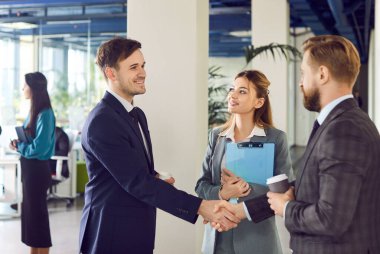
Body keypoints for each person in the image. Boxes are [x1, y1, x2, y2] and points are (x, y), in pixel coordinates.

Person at [215, 35, 380, 254]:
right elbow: (307, 192)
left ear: (322, 74)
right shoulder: (341, 122)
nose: (300, 82)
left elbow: (330, 218)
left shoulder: (344, 130)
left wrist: (286, 208)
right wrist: (241, 211)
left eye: (303, 73)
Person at [79, 37, 239, 254]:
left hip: (135, 228)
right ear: (111, 73)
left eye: (143, 66)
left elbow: (131, 171)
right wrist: (202, 207)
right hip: (110, 232)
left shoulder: (136, 115)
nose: (143, 73)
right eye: (133, 67)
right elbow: (136, 182)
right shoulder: (103, 121)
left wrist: (155, 179)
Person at [195, 70, 293, 254]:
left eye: (242, 91)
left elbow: (284, 191)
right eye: (232, 89)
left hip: (256, 238)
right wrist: (223, 192)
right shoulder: (216, 136)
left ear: (259, 102)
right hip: (218, 237)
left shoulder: (276, 138)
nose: (232, 94)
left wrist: (245, 190)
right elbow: (201, 185)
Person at [9, 72, 55, 254]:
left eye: (25, 85)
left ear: (34, 88)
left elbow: (40, 148)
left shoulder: (45, 114)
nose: (22, 89)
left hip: (37, 171)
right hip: (29, 170)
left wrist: (21, 147)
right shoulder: (34, 112)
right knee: (31, 220)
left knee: (38, 220)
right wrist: (18, 143)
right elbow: (32, 140)